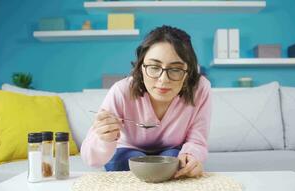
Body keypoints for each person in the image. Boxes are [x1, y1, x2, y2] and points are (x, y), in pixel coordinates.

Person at [81, 25, 211, 178]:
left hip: (172, 151)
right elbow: (91, 160)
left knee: (174, 161)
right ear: (141, 67)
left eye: (175, 69)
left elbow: (197, 141)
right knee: (126, 160)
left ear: (188, 73)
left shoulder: (200, 89)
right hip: (126, 151)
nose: (163, 80)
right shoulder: (121, 91)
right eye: (154, 67)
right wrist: (104, 138)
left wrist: (191, 156)